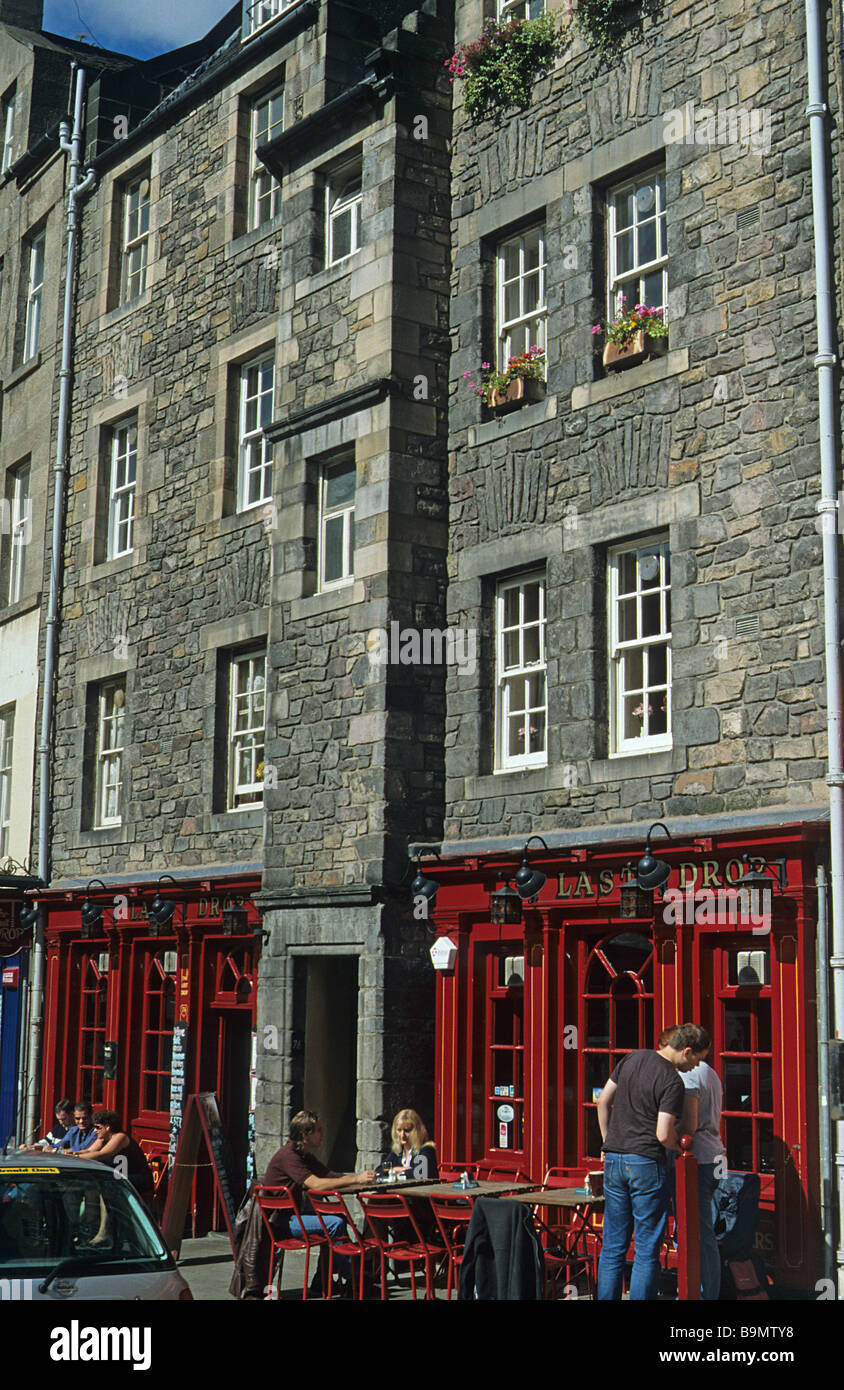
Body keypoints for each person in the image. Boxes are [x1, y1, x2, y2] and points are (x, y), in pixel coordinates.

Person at [596, 1022, 711, 1301]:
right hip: (646, 1162)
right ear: (686, 1051)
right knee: (647, 1249)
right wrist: (678, 1147)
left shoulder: (632, 1057)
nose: (696, 1067)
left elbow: (602, 1101)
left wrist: (607, 1142)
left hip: (613, 1159)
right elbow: (663, 1133)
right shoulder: (672, 1081)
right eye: (697, 1059)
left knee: (612, 1245)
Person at [263, 1110, 376, 1290]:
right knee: (333, 1223)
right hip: (280, 1222)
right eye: (319, 1130)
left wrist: (360, 1178)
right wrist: (355, 1179)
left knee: (338, 1217)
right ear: (305, 1134)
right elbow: (316, 1184)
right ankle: (355, 1279)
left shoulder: (303, 1154)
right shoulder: (289, 1156)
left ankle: (323, 1279)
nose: (323, 1134)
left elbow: (328, 1175)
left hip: (292, 1216)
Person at [659, 1026, 726, 1301]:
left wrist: (666, 1135)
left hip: (696, 1159)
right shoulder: (708, 1071)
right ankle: (703, 1291)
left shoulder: (690, 1075)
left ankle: (700, 1293)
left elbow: (689, 1124)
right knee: (702, 1230)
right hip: (714, 1156)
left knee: (696, 1232)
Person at [69, 1109, 155, 1204]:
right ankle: (92, 1214)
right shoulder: (102, 1138)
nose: (95, 1130)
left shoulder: (120, 1137)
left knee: (101, 1183)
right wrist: (70, 1155)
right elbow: (89, 1151)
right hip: (118, 1177)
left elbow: (101, 1154)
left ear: (107, 1127)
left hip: (135, 1179)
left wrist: (75, 1158)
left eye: (98, 1127)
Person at [383, 1109, 439, 1181]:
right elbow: (380, 1169)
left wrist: (394, 1172)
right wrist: (396, 1169)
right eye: (399, 1130)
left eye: (407, 1130)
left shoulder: (426, 1150)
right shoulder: (398, 1151)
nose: (402, 1135)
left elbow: (419, 1174)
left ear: (417, 1131)